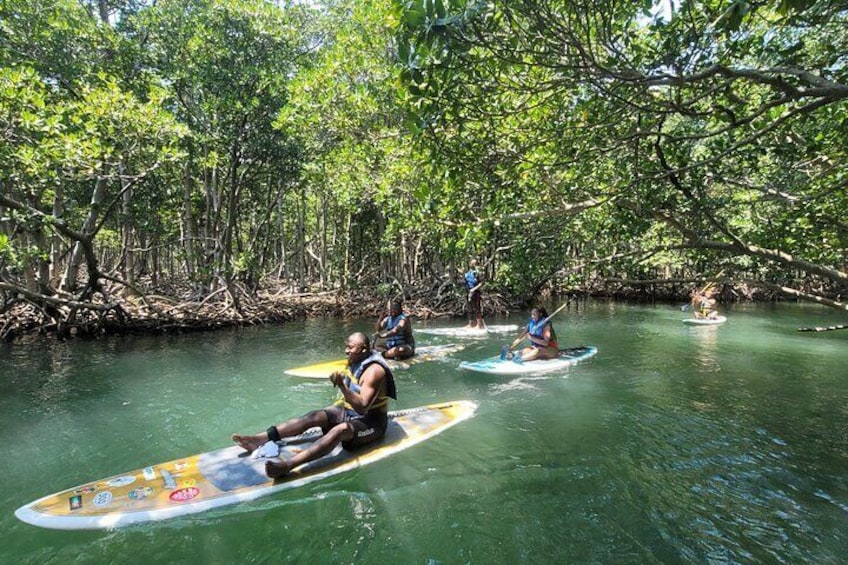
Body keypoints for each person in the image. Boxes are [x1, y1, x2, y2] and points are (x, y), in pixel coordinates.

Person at [231, 332, 397, 479]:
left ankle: (288, 466)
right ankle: (258, 439)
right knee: (316, 416)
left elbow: (363, 407)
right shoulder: (356, 359)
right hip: (349, 412)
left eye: (351, 348)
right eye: (346, 347)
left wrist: (342, 386)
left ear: (363, 349)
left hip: (372, 422)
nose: (346, 351)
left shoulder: (375, 371)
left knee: (340, 430)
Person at [463, 260, 484, 329]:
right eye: (472, 263)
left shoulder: (478, 273)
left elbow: (481, 283)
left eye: (475, 264)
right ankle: (470, 324)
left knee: (477, 308)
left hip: (476, 292)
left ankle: (479, 325)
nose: (473, 265)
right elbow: (465, 282)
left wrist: (474, 289)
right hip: (468, 292)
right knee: (469, 308)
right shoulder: (467, 273)